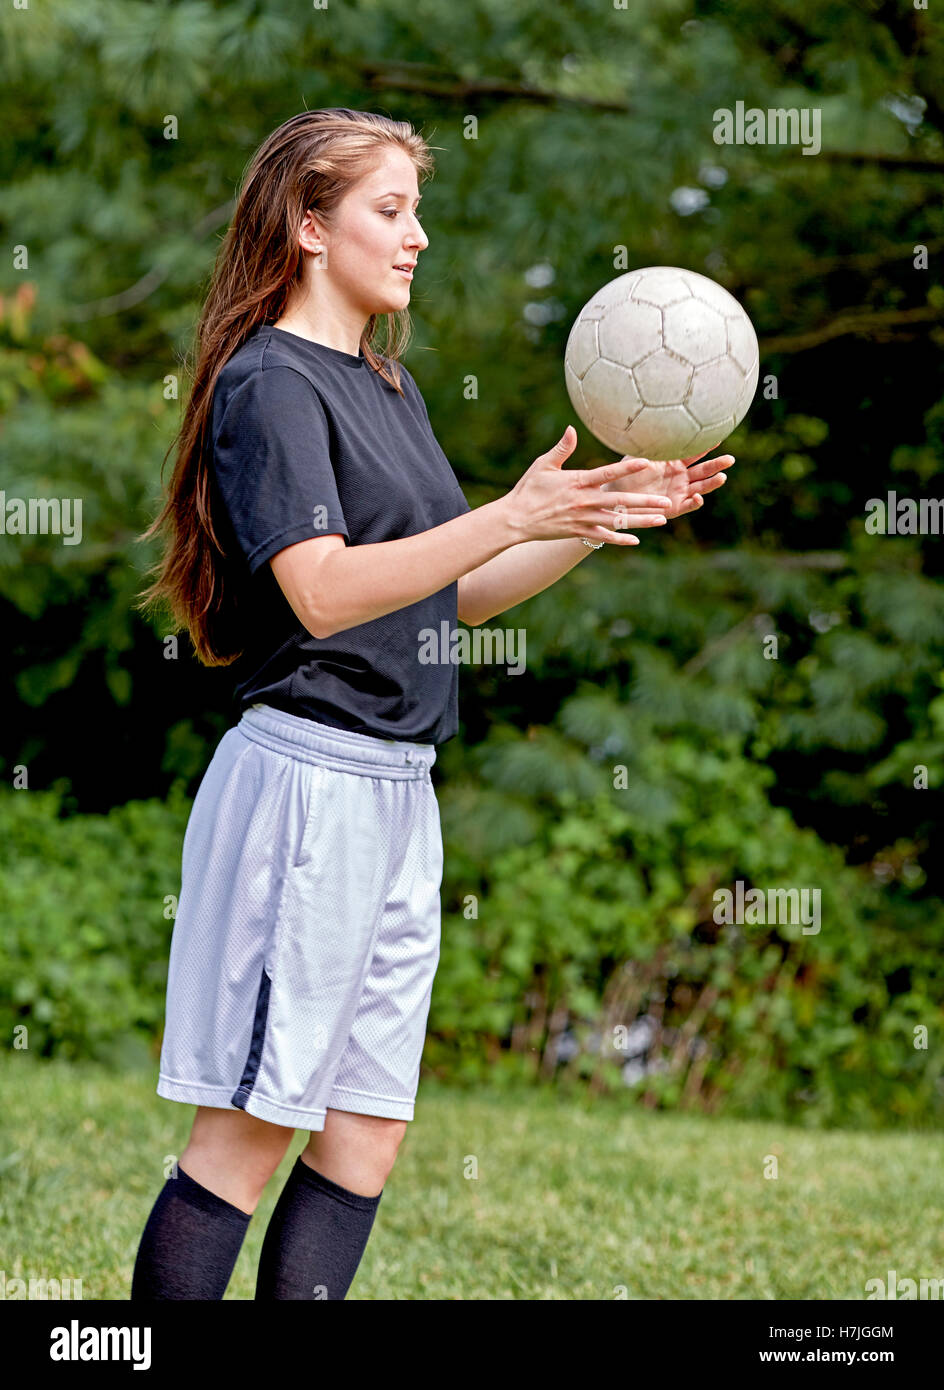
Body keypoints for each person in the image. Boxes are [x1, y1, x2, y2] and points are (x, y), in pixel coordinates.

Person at [131, 107, 732, 1301]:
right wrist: (506, 510)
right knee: (246, 1136)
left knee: (363, 1135)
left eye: (417, 210)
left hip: (400, 794)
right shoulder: (269, 385)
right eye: (388, 210)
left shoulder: (387, 388)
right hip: (305, 790)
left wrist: (587, 520)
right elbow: (319, 591)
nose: (416, 236)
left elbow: (446, 595)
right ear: (308, 226)